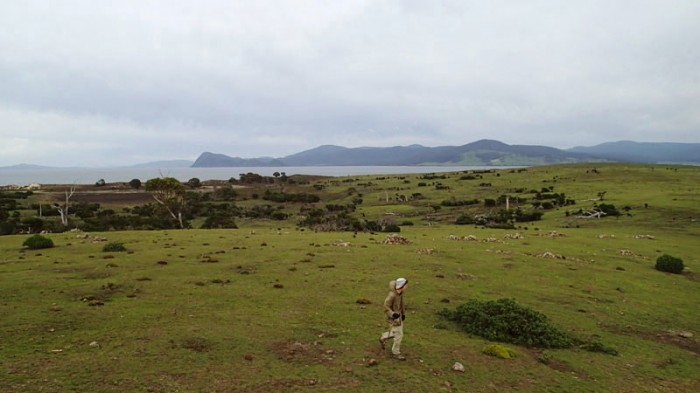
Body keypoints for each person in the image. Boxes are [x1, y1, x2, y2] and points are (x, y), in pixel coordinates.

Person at [379, 277, 408, 360]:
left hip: (399, 318)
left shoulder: (401, 294)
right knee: (399, 335)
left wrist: (403, 314)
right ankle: (396, 352)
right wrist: (393, 314)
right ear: (401, 285)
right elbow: (386, 306)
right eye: (406, 285)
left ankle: (383, 337)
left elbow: (402, 305)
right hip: (393, 318)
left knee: (396, 333)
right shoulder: (392, 295)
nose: (407, 286)